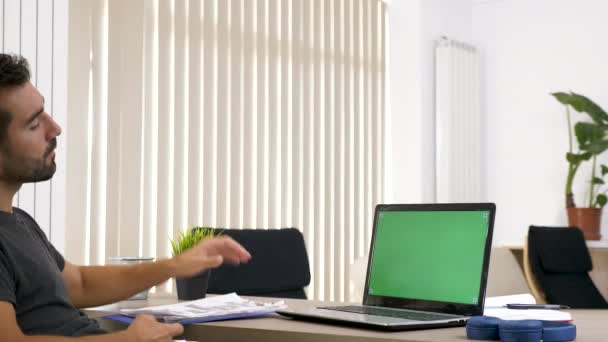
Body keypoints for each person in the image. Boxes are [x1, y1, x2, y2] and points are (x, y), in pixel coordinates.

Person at [0, 53, 252, 341]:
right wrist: (127, 340)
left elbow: (81, 284)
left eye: (44, 112)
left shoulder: (19, 223)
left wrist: (173, 266)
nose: (55, 128)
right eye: (34, 124)